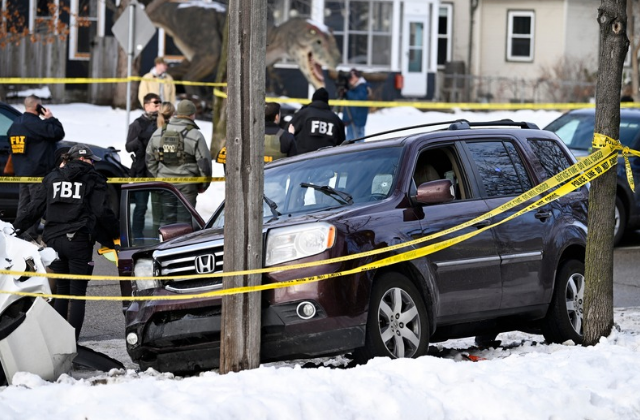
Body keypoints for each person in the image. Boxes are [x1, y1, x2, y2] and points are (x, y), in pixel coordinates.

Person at [13, 144, 119, 341]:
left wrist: (15, 228)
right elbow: (102, 212)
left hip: (53, 241)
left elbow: (34, 208)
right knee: (77, 294)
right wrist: (116, 235)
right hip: (78, 241)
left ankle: (58, 342)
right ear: (83, 159)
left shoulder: (53, 176)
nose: (93, 163)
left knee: (62, 290)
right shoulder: (93, 178)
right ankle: (72, 344)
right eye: (91, 160)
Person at [8, 94, 65, 240]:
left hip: (22, 172)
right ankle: (29, 237)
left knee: (23, 205)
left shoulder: (16, 123)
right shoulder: (36, 124)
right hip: (37, 172)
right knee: (36, 205)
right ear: (37, 107)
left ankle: (19, 234)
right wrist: (50, 118)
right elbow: (58, 133)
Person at [146, 99, 212, 219]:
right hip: (187, 186)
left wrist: (158, 176)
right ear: (192, 114)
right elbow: (204, 164)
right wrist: (203, 184)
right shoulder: (195, 135)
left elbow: (149, 158)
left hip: (165, 185)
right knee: (185, 222)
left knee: (167, 221)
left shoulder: (159, 132)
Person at [126, 93, 161, 241]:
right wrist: (140, 139)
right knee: (141, 206)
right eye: (155, 103)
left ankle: (159, 236)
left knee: (159, 208)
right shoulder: (137, 124)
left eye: (160, 103)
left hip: (158, 170)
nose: (158, 106)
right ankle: (137, 237)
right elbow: (128, 147)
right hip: (141, 170)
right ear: (146, 106)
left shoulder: (162, 122)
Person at [288, 87, 345, 155]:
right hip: (327, 158)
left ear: (313, 99)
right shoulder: (335, 119)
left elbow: (287, 132)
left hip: (303, 158)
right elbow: (342, 143)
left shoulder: (303, 114)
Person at [340, 68, 371, 141]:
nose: (350, 80)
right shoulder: (353, 88)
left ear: (357, 77)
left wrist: (347, 92)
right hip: (351, 120)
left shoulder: (362, 87)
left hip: (357, 121)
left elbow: (357, 98)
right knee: (350, 142)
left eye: (352, 77)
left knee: (357, 143)